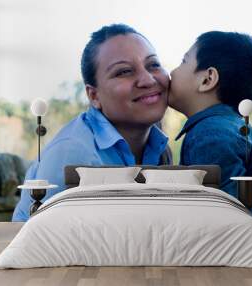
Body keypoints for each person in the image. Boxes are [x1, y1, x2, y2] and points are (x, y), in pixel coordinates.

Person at [12, 24, 171, 222]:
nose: (147, 80)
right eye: (124, 72)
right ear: (94, 95)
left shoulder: (158, 145)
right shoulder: (73, 154)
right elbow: (46, 243)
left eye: (153, 65)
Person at [169, 31, 252, 221]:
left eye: (183, 61)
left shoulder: (209, 136)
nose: (172, 71)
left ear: (207, 79)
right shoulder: (233, 126)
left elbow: (227, 219)